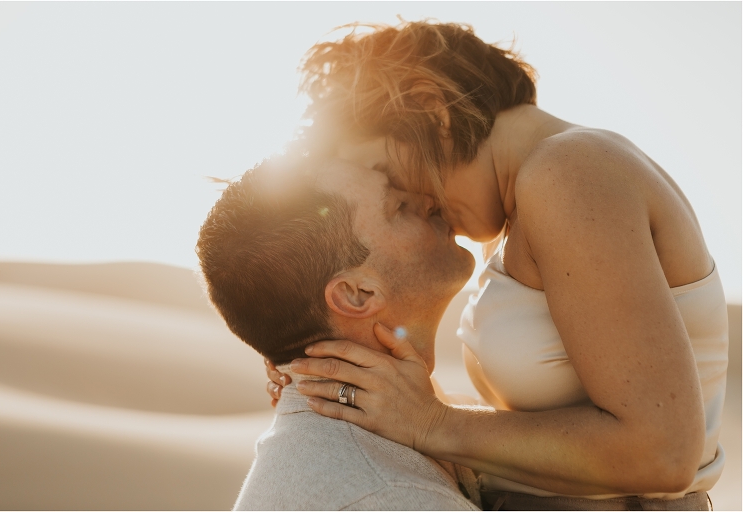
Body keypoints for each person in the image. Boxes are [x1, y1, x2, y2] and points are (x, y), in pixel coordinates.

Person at [265, 21, 728, 510]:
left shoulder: (568, 172)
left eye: (388, 174)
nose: (414, 202)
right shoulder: (523, 205)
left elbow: (661, 453)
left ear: (429, 106)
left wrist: (432, 423)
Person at [196, 154, 482, 510]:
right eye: (398, 206)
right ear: (356, 294)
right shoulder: (391, 494)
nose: (427, 201)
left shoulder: (324, 451)